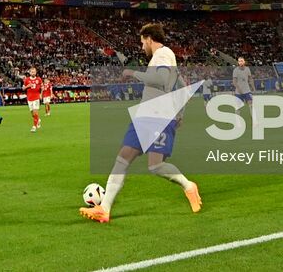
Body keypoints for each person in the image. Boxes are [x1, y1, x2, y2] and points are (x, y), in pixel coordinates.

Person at [80, 23, 201, 224]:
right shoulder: (164, 56)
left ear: (149, 38)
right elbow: (181, 85)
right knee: (123, 158)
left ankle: (188, 186)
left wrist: (133, 73)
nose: (141, 46)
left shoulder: (162, 54)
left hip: (158, 116)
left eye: (142, 42)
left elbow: (162, 80)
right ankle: (104, 209)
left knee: (155, 166)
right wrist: (181, 112)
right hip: (148, 115)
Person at [23, 66, 42, 133]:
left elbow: (41, 87)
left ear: (36, 72)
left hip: (36, 97)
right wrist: (27, 86)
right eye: (32, 72)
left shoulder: (39, 79)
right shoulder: (27, 80)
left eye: (34, 72)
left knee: (35, 112)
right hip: (29, 98)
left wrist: (41, 94)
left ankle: (34, 127)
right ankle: (38, 120)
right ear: (30, 72)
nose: (33, 73)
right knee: (33, 114)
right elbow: (23, 88)